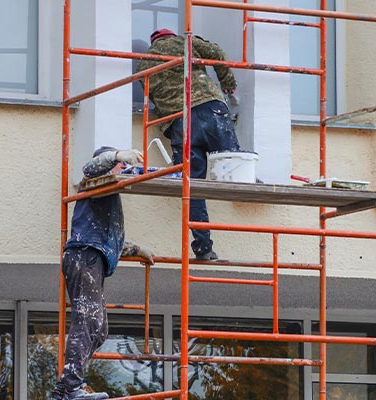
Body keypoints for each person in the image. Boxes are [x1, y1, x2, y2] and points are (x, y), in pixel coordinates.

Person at [52, 146, 155, 400]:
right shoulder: (94, 180)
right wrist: (118, 156)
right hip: (84, 255)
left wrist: (136, 249)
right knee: (87, 320)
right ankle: (68, 388)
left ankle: (71, 384)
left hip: (90, 256)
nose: (124, 169)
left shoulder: (107, 194)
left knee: (98, 329)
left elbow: (107, 240)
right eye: (120, 165)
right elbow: (90, 167)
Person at [138, 29, 241, 261]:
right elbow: (217, 53)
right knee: (235, 165)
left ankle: (204, 247)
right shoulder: (185, 42)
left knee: (191, 187)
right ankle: (249, 179)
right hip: (210, 109)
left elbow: (150, 98)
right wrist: (227, 81)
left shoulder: (143, 64)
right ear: (170, 36)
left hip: (180, 122)